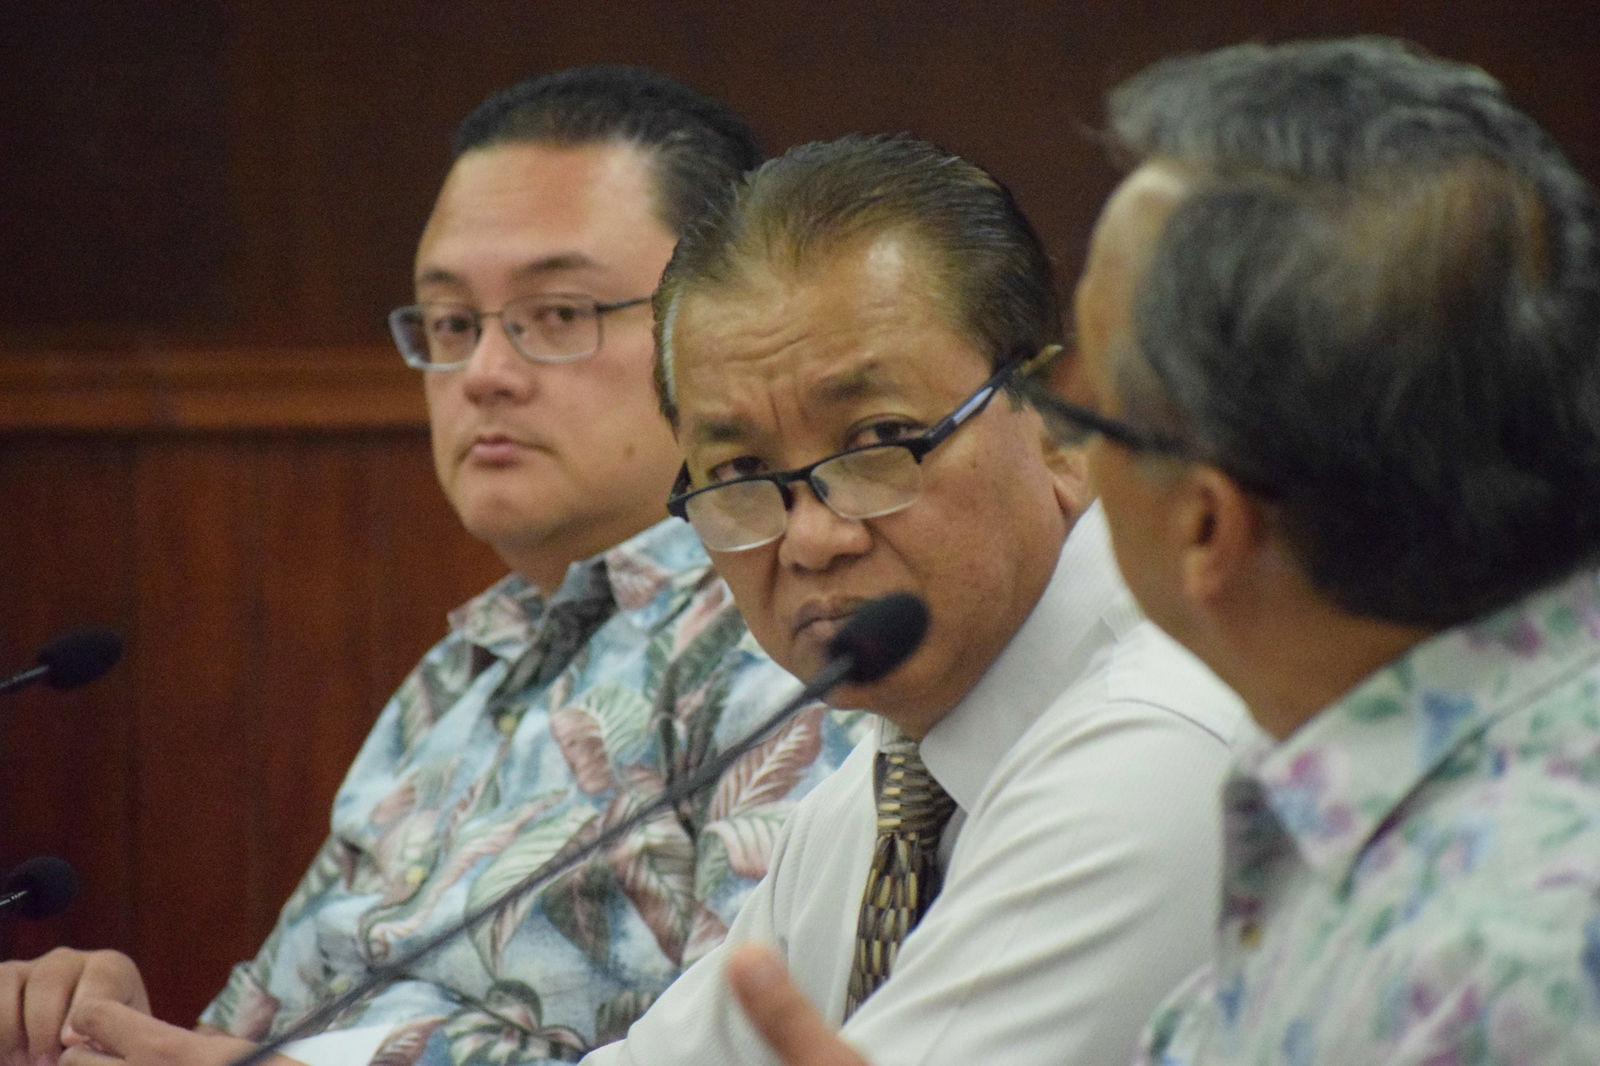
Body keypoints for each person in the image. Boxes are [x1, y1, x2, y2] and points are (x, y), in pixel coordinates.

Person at [728, 36, 1600, 1066]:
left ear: (1205, 525)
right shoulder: (1325, 804)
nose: (1062, 440)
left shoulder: (1511, 960)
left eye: (1080, 406)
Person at [1, 65, 864, 1066]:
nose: (485, 373)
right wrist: (94, 1025)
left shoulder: (790, 628)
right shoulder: (462, 671)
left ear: (729, 327)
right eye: (452, 323)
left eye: (558, 312)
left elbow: (757, 1049)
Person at [572, 132, 1245, 1066]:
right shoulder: (886, 794)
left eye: (879, 438)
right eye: (738, 473)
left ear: (1057, 426)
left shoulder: (1156, 746)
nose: (810, 539)